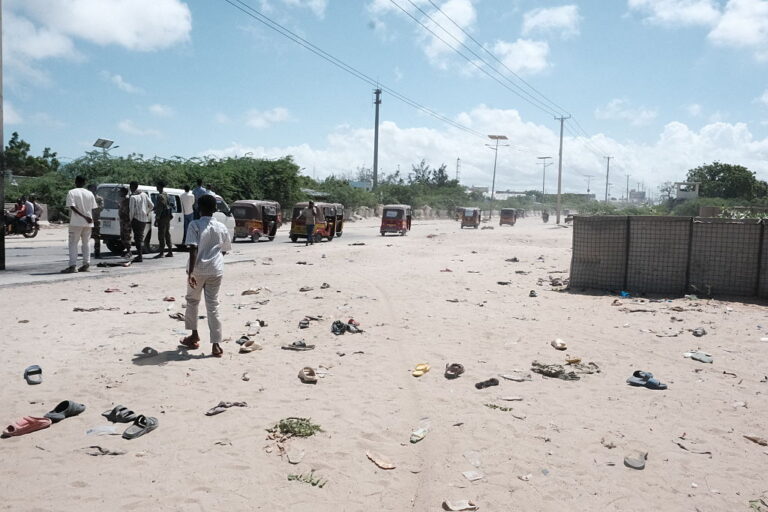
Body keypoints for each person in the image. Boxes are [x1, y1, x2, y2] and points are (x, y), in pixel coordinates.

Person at [180, 194, 232, 358]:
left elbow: (193, 248)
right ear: (215, 209)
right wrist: (214, 261)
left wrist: (192, 272)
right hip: (216, 270)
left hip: (198, 270)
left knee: (192, 301)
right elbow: (224, 249)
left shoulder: (194, 225)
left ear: (198, 208)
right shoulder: (221, 227)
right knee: (213, 305)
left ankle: (194, 335)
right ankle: (216, 344)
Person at [61, 176, 97, 273]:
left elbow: (72, 206)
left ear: (76, 181)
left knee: (73, 243)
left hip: (76, 222)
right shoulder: (90, 193)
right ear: (85, 183)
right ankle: (86, 264)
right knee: (86, 243)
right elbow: (93, 208)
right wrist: (89, 218)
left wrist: (84, 216)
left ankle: (72, 266)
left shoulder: (72, 192)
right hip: (89, 222)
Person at [128, 181, 153, 263]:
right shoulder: (144, 194)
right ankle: (140, 255)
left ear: (132, 187)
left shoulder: (133, 197)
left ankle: (140, 256)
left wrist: (130, 220)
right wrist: (146, 212)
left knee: (137, 238)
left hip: (136, 220)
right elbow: (152, 205)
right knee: (140, 237)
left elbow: (131, 211)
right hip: (144, 220)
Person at [153, 181, 173, 258]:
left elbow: (160, 208)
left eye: (157, 186)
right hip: (167, 216)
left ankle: (161, 253)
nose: (156, 187)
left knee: (161, 235)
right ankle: (170, 251)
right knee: (167, 234)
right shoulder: (166, 195)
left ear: (160, 187)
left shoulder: (160, 196)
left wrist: (157, 218)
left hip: (162, 217)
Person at [87, 185, 103, 259]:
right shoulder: (86, 198)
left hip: (96, 220)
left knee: (97, 237)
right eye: (91, 189)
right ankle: (86, 253)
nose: (92, 190)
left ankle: (97, 252)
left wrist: (93, 208)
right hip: (87, 220)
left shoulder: (99, 199)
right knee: (86, 237)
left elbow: (101, 208)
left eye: (93, 189)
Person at [118, 187, 132, 257]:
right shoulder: (123, 200)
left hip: (126, 221)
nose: (119, 193)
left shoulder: (127, 200)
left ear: (123, 192)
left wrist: (121, 208)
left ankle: (129, 252)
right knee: (123, 237)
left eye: (120, 191)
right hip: (122, 221)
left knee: (127, 236)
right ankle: (127, 251)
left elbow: (126, 211)